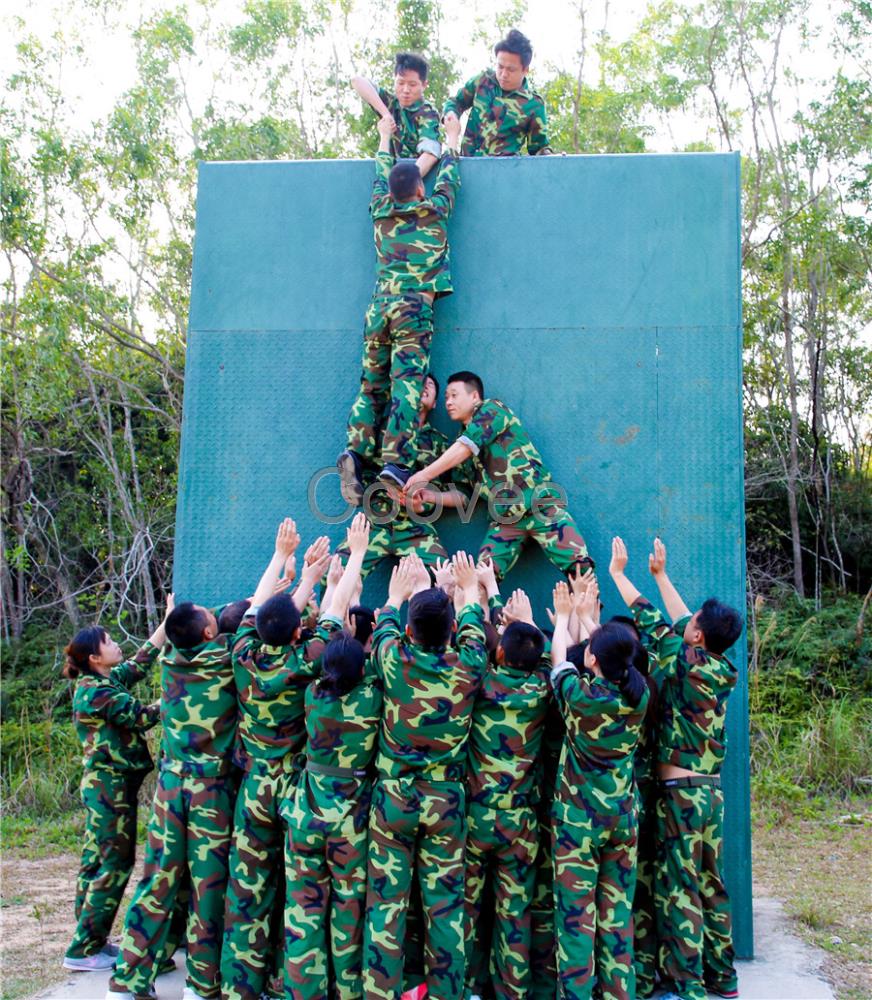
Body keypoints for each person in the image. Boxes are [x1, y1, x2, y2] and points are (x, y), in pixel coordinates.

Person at [608, 537, 743, 1000]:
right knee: (710, 884)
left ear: (699, 637)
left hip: (680, 795)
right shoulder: (720, 668)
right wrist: (662, 574)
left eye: (694, 626)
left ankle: (686, 987)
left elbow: (649, 617)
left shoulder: (682, 661)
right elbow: (682, 620)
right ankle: (723, 978)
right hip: (710, 793)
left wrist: (621, 575)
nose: (687, 624)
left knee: (679, 888)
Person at [363, 551, 487, 999]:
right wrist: (467, 586)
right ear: (453, 631)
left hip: (393, 800)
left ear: (410, 631)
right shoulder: (470, 664)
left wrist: (401, 591)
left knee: (386, 908)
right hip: (446, 801)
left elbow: (385, 626)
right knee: (447, 908)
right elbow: (473, 622)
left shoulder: (392, 658)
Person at [221, 523, 337, 1000]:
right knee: (300, 893)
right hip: (294, 789)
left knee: (247, 891)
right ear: (296, 631)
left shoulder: (243, 654)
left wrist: (281, 559)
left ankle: (238, 987)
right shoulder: (304, 659)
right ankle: (295, 985)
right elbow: (330, 620)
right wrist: (327, 574)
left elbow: (255, 607)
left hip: (254, 787)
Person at [107, 596, 240, 1000]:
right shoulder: (223, 660)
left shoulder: (169, 662)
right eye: (209, 616)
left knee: (157, 882)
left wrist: (170, 619)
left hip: (169, 790)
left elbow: (164, 638)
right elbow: (252, 617)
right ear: (208, 633)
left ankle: (127, 981)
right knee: (208, 889)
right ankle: (200, 986)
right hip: (209, 794)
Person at [338, 114, 461, 496]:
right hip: (413, 308)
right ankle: (394, 463)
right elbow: (451, 175)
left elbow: (380, 174)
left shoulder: (380, 210)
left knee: (371, 385)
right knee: (406, 385)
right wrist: (452, 137)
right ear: (420, 189)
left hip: (379, 307)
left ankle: (356, 455)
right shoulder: (435, 210)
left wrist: (383, 138)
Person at [283, 530, 381, 997]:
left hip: (305, 812)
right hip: (350, 820)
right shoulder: (371, 700)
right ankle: (348, 988)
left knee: (302, 908)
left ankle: (303, 990)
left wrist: (337, 587)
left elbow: (325, 629)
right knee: (348, 908)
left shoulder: (311, 695)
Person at [549, 580, 650, 1000]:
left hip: (578, 823)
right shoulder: (638, 695)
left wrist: (566, 615)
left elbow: (559, 658)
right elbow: (612, 656)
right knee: (616, 915)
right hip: (622, 819)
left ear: (590, 657)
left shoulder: (580, 698)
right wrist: (591, 619)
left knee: (576, 919)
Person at [404, 371, 594, 580]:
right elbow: (464, 495)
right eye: (446, 397)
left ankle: (587, 612)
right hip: (505, 519)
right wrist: (432, 496)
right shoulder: (458, 447)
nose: (448, 402)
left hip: (540, 505)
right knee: (482, 580)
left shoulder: (492, 410)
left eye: (454, 395)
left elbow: (468, 445)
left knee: (581, 571)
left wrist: (425, 475)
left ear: (475, 396)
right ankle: (485, 612)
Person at [62, 605, 170, 972]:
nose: (116, 645)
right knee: (114, 862)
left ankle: (91, 940)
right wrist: (182, 694)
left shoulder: (102, 682)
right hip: (110, 786)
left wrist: (166, 625)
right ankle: (83, 949)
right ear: (94, 657)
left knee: (95, 862)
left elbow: (138, 664)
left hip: (107, 785)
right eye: (109, 643)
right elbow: (141, 716)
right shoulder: (95, 691)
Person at [464, 612, 551, 1000]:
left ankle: (465, 987)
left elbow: (469, 656)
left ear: (498, 652)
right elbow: (550, 661)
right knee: (514, 914)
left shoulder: (481, 683)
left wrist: (477, 597)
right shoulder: (544, 688)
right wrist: (528, 622)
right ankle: (512, 992)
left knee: (464, 911)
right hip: (521, 823)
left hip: (475, 818)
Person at [335, 374, 454, 576]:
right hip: (375, 520)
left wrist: (425, 502)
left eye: (431, 385)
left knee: (445, 578)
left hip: (415, 525)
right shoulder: (383, 432)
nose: (424, 386)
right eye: (420, 382)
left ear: (434, 403)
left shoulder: (440, 444)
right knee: (335, 573)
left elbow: (457, 492)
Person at [443, 29, 552, 157]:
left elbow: (539, 148)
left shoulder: (534, 104)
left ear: (525, 70)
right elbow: (456, 102)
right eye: (500, 67)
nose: (504, 74)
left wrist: (552, 156)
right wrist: (451, 113)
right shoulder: (481, 81)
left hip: (504, 172)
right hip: (468, 165)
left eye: (511, 69)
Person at [351, 52, 441, 175]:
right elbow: (357, 81)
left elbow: (430, 153)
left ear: (424, 85)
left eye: (412, 84)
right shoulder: (391, 104)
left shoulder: (428, 113)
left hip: (416, 179)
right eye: (400, 83)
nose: (405, 90)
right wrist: (385, 114)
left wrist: (406, 184)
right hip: (390, 172)